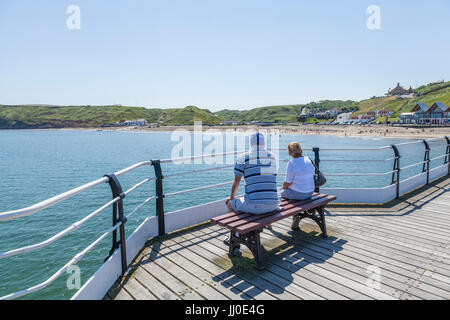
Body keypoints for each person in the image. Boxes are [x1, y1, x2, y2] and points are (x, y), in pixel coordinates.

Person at [226, 132, 280, 215]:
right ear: (264, 143)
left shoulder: (243, 157)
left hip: (255, 207)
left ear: (250, 143)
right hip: (273, 204)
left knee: (229, 202)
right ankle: (264, 224)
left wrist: (231, 199)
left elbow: (236, 181)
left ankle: (235, 225)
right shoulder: (272, 156)